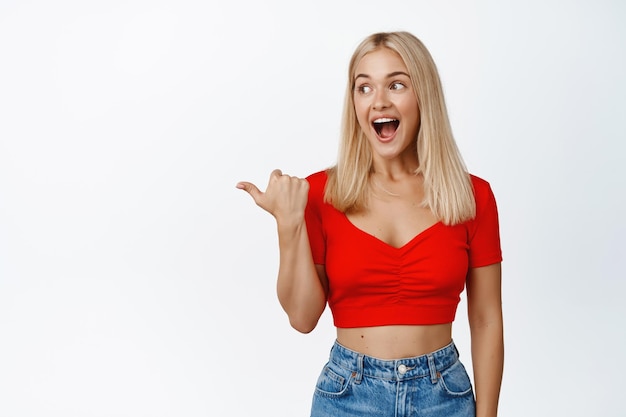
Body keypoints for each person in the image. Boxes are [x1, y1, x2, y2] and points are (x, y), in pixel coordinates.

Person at [236, 31, 503, 417]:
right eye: (364, 88)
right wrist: (289, 224)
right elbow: (302, 318)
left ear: (423, 95)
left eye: (396, 85)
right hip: (348, 396)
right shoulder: (319, 193)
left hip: (444, 396)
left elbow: (486, 319)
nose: (379, 101)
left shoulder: (472, 197)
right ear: (354, 102)